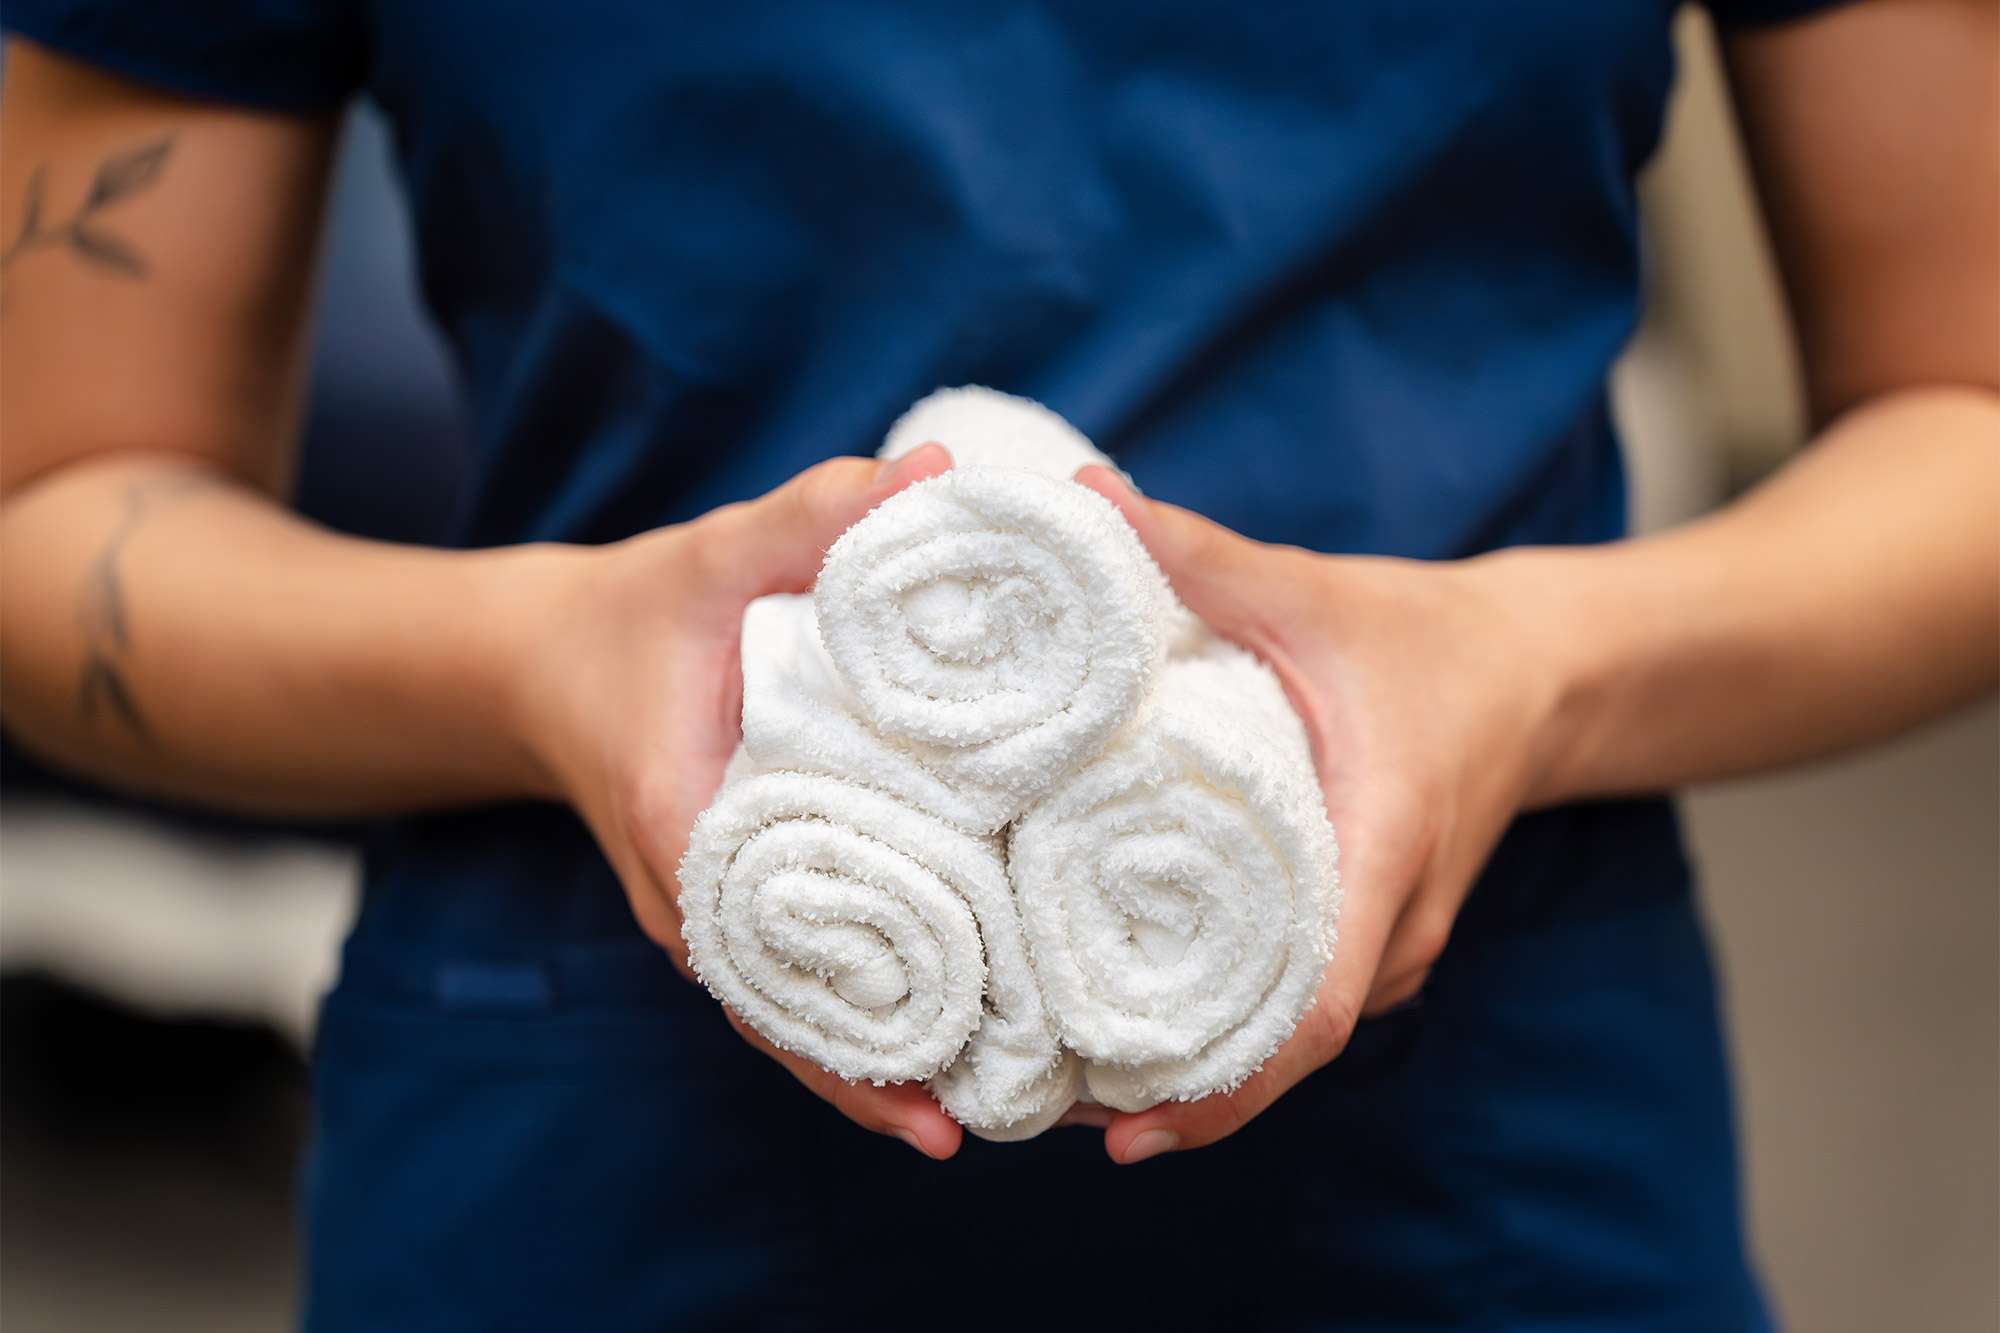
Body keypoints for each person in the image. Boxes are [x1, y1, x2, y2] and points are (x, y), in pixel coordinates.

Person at [0, 1, 1992, 1327]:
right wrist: (544, 657)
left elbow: (1965, 412)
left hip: (1478, 1139)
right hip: (599, 1137)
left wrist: (1519, 666)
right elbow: (55, 513)